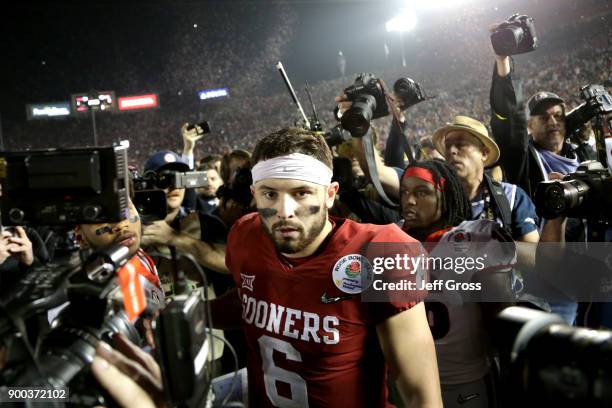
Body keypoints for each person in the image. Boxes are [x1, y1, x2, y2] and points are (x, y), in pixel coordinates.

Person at [226, 127, 442, 407]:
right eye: (270, 194)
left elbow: (421, 396)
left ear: (330, 194)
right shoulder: (246, 234)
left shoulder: (380, 252)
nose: (284, 210)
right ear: (254, 194)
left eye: (301, 193)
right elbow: (248, 300)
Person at [400, 160, 515, 408]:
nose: (409, 201)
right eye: (405, 192)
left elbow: (502, 319)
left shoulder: (476, 238)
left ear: (446, 194)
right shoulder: (390, 238)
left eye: (421, 192)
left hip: (464, 381)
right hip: (407, 381)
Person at [431, 115, 540, 243]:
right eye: (448, 146)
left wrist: (497, 245)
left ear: (484, 153)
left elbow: (533, 256)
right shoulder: (434, 201)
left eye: (461, 144)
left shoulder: (511, 197)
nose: (452, 151)